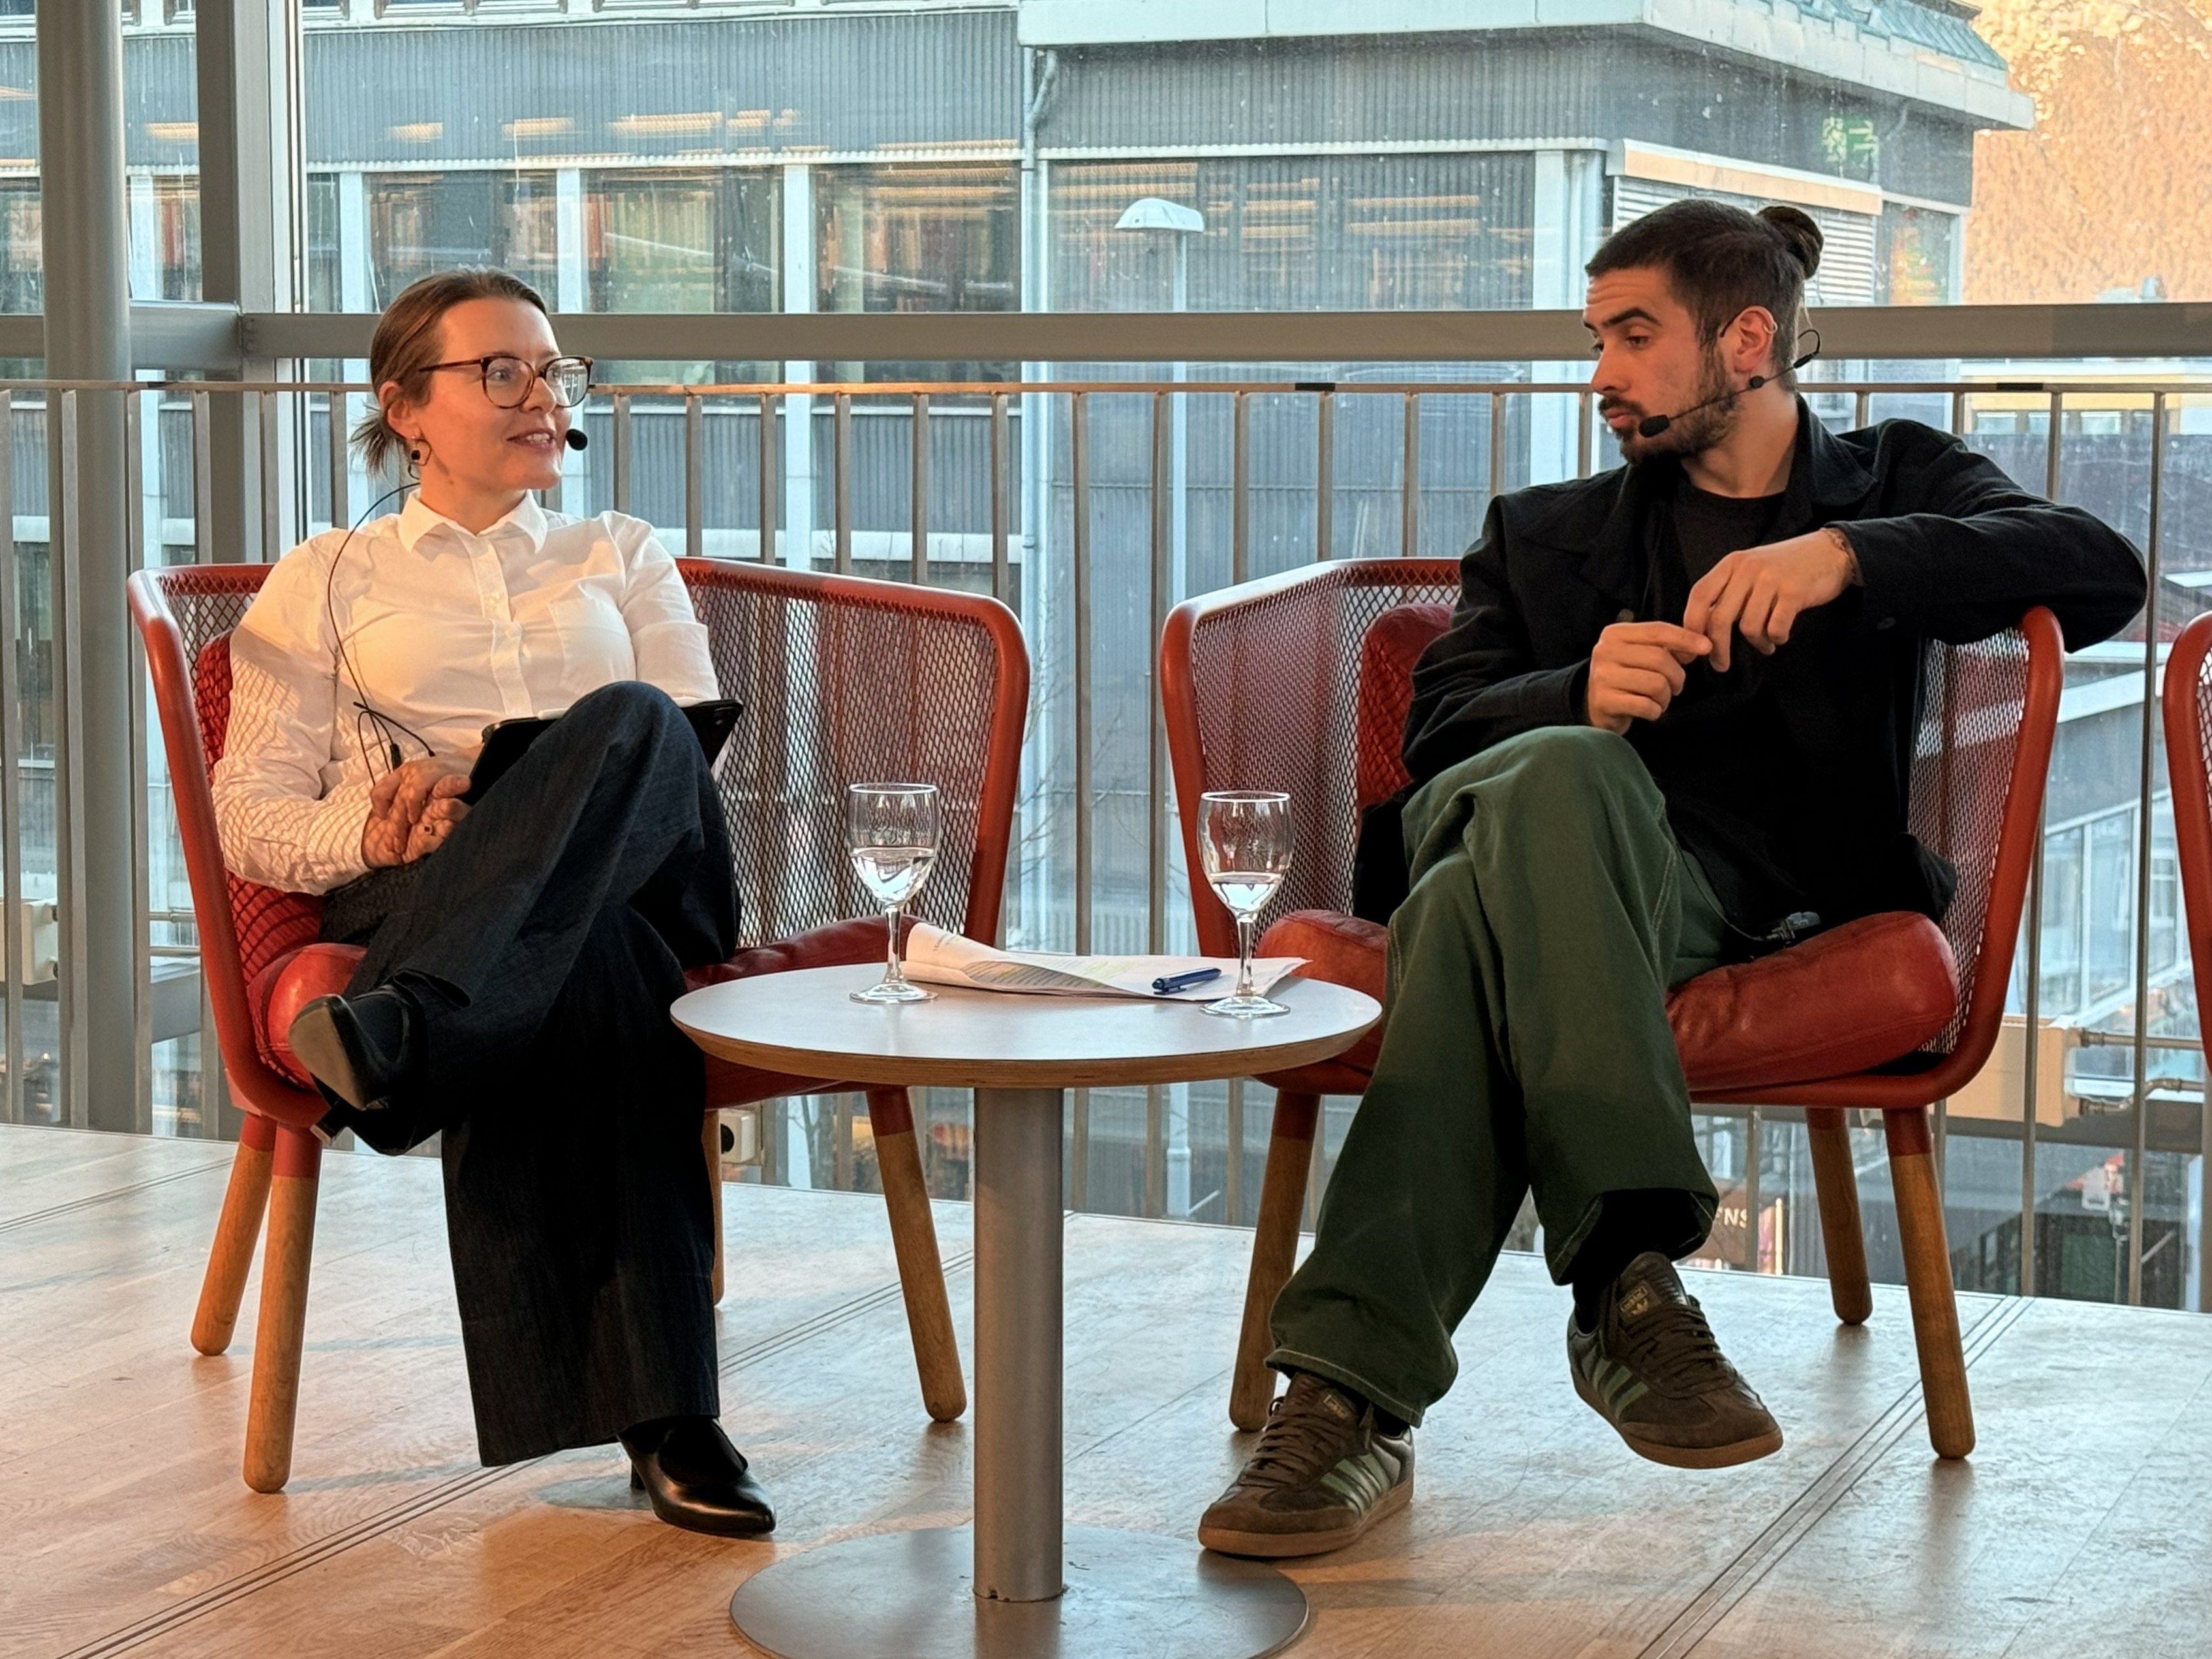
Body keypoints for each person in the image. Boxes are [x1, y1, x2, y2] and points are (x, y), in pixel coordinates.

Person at [1197, 200, 2147, 1560]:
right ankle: (1628, 1279)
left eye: (1634, 337)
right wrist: (1571, 688)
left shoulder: (1887, 481)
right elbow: (1434, 734)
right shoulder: (1545, 535)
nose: (1603, 373)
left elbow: (2096, 569)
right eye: (1597, 339)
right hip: (1561, 849)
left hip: (1745, 906)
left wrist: (1846, 557)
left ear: (1746, 340)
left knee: (1468, 912)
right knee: (1561, 772)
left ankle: (1345, 1396)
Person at [211, 268, 771, 1538]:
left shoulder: (615, 550)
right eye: (500, 370)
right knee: (589, 961)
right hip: (432, 884)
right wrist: (376, 818)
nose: (541, 395)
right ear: (404, 406)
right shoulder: (326, 579)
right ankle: (674, 1419)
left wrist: (504, 789)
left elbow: (691, 758)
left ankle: (411, 1031)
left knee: (628, 720)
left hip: (650, 866)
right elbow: (249, 812)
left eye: (554, 370)